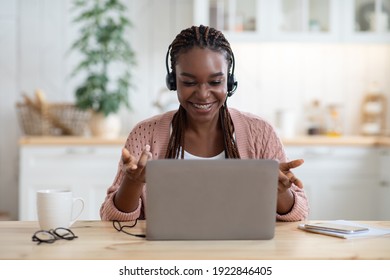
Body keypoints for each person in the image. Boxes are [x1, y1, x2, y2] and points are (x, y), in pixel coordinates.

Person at [100, 25, 309, 222]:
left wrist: (281, 192)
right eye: (189, 82)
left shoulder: (260, 132)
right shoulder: (145, 134)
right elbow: (111, 220)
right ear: (173, 82)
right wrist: (133, 183)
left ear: (230, 82)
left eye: (215, 82)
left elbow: (299, 214)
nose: (202, 94)